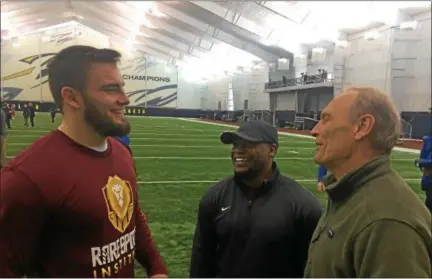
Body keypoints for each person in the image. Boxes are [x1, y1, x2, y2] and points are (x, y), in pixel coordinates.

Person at [0, 45, 168, 278]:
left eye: (122, 87)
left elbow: (133, 214)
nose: (125, 99)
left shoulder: (121, 152)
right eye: (111, 89)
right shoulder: (27, 177)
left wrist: (156, 268)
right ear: (72, 97)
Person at [305, 87, 431, 277]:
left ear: (362, 126)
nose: (315, 130)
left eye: (326, 119)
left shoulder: (386, 221)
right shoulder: (349, 193)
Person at [190, 120, 323, 278]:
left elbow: (313, 268)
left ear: (271, 150)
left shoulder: (303, 205)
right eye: (235, 145)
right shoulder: (215, 196)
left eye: (247, 145)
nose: (238, 151)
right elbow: (202, 259)